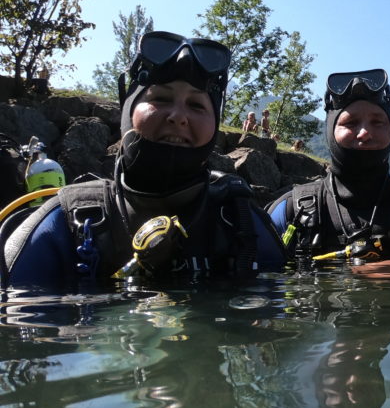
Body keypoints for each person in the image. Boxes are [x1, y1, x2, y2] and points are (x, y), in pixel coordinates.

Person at [2, 31, 286, 290]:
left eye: (197, 105)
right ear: (128, 110)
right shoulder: (60, 226)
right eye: (161, 99)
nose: (178, 116)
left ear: (215, 125)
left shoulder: (243, 223)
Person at [266, 69, 390, 263]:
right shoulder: (290, 211)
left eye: (377, 122)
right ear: (330, 131)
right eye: (350, 123)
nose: (364, 132)